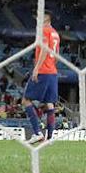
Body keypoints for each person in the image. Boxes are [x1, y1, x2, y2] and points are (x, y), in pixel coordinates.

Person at [23, 11, 60, 144]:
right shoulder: (55, 33)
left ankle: (37, 133)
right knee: (49, 103)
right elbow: (56, 55)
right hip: (52, 72)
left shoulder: (44, 30)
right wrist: (51, 66)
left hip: (43, 71)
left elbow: (44, 49)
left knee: (26, 100)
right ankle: (50, 137)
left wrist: (37, 68)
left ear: (46, 19)